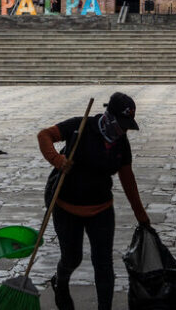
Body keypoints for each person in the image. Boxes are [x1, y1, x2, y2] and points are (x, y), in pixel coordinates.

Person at [37, 92, 151, 310]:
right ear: (109, 117)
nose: (123, 131)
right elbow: (44, 135)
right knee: (72, 258)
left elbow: (128, 180)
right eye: (121, 124)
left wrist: (141, 216)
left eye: (127, 126)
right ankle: (60, 282)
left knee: (104, 264)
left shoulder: (121, 143)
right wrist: (57, 160)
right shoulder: (81, 127)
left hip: (101, 210)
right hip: (66, 207)